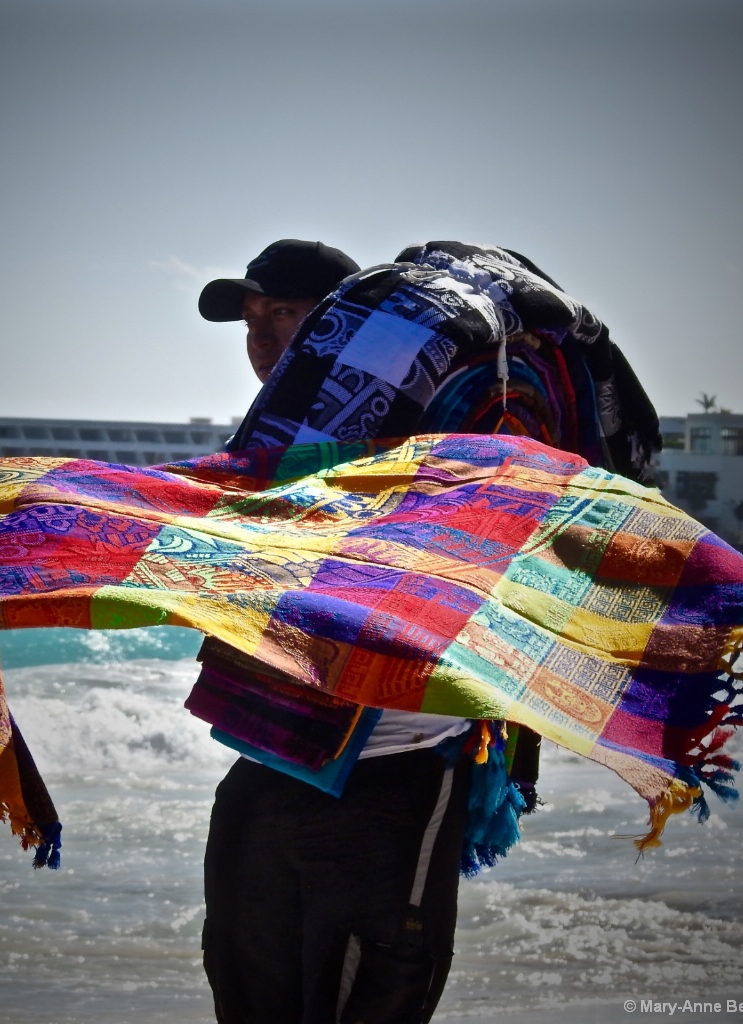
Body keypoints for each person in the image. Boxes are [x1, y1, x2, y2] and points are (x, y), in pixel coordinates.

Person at [196, 239, 476, 1024]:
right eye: (250, 321)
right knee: (247, 995)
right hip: (265, 764)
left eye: (283, 314)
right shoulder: (263, 454)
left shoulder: (440, 438)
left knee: (368, 999)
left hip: (393, 775)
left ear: (349, 328)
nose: (262, 340)